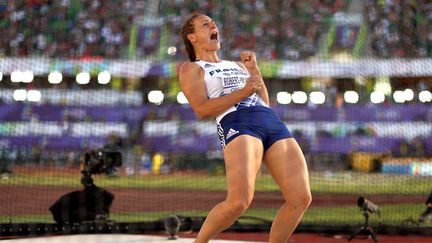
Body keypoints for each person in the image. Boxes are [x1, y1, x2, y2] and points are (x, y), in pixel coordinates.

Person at [179, 14, 312, 243]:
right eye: (205, 24)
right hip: (237, 123)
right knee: (239, 202)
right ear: (192, 37)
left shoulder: (238, 65)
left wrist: (255, 71)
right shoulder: (192, 68)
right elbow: (201, 109)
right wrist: (244, 91)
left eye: (213, 23)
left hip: (269, 121)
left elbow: (263, 100)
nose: (213, 26)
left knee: (301, 198)